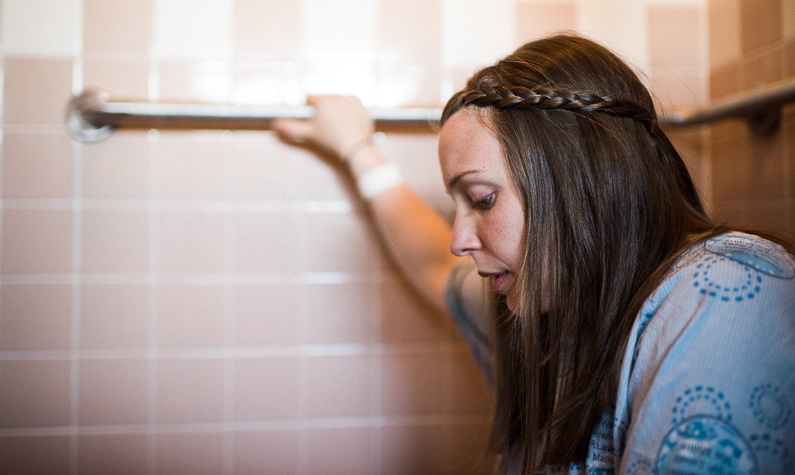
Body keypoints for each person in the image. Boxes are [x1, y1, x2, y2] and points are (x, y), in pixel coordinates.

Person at [272, 34, 795, 475]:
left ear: (581, 179)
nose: (460, 240)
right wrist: (359, 151)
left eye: (482, 199)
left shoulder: (728, 291)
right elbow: (436, 264)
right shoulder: (550, 311)